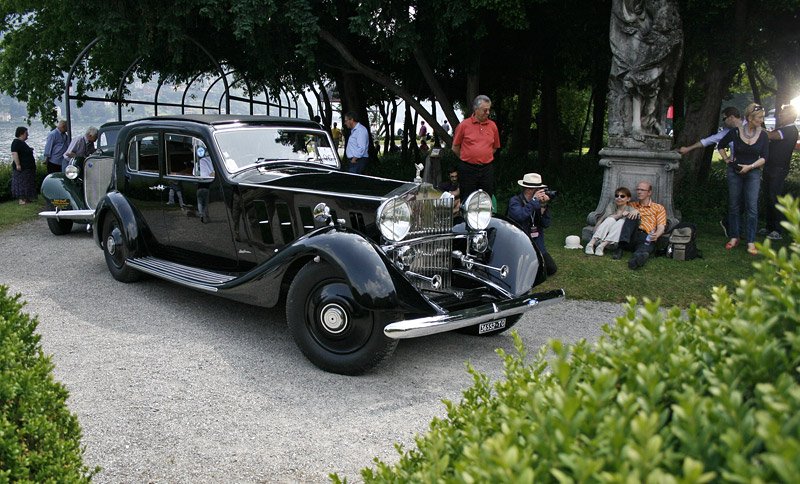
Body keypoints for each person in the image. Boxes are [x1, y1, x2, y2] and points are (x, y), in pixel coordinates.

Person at [717, 103, 769, 256]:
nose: (761, 120)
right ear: (750, 118)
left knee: (752, 207)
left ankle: (751, 241)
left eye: (762, 117)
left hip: (753, 172)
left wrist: (750, 166)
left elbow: (765, 157)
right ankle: (734, 237)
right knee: (734, 205)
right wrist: (727, 160)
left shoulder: (764, 135)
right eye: (759, 117)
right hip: (735, 171)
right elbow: (721, 145)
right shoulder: (735, 131)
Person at [451, 95, 501, 199]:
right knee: (467, 198)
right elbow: (455, 148)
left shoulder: (492, 126)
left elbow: (495, 147)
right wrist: (468, 158)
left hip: (486, 169)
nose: (487, 113)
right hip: (468, 169)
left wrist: (483, 157)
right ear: (476, 109)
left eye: (489, 110)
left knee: (486, 198)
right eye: (485, 110)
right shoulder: (464, 125)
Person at [507, 173, 556, 276]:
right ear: (529, 189)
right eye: (539, 189)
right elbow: (520, 216)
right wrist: (534, 202)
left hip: (537, 244)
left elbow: (546, 224)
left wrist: (543, 206)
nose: (542, 192)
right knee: (524, 272)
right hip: (520, 244)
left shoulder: (538, 203)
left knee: (551, 268)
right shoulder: (515, 201)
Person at [762, 104, 798, 240]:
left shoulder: (790, 130)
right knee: (768, 196)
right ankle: (769, 227)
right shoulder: (784, 128)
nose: (780, 115)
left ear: (790, 115)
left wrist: (756, 124)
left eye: (783, 113)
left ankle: (777, 230)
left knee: (774, 197)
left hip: (778, 168)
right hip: (770, 167)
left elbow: (771, 136)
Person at [622, 181, 667, 270]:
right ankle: (620, 247)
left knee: (644, 248)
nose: (639, 192)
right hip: (630, 235)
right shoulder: (631, 205)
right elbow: (617, 211)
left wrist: (657, 235)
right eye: (638, 189)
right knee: (633, 216)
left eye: (642, 190)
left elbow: (661, 226)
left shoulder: (658, 208)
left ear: (649, 192)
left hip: (645, 235)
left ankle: (637, 259)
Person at [584, 187, 638, 256]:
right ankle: (590, 244)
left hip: (614, 241)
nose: (619, 198)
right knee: (610, 219)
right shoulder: (611, 205)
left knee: (621, 222)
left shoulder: (630, 209)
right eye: (616, 196)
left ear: (628, 199)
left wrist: (636, 211)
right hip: (601, 235)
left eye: (622, 196)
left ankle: (602, 246)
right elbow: (608, 217)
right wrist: (621, 215)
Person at [677, 107, 742, 155]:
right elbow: (707, 141)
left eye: (724, 118)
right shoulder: (726, 132)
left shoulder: (750, 125)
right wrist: (688, 149)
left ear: (731, 117)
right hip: (734, 167)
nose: (724, 121)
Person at [11, 126, 37, 205]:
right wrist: (18, 164)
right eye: (26, 133)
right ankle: (22, 199)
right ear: (21, 134)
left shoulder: (22, 143)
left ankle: (26, 198)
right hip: (22, 168)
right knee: (22, 183)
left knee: (27, 183)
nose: (27, 135)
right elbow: (14, 153)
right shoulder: (16, 142)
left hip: (28, 167)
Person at [196, 145, 215, 223]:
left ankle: (201, 215)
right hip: (207, 188)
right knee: (206, 204)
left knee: (200, 203)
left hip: (199, 188)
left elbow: (194, 173)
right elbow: (212, 175)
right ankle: (206, 216)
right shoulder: (210, 163)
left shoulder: (199, 167)